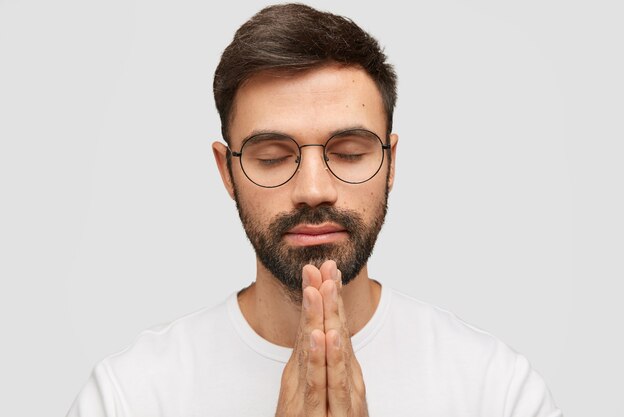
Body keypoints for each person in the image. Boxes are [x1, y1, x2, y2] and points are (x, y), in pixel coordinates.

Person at [67, 4, 562, 416]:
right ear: (227, 172)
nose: (313, 188)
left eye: (348, 152)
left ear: (390, 164)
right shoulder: (128, 397)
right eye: (273, 157)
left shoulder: (497, 392)